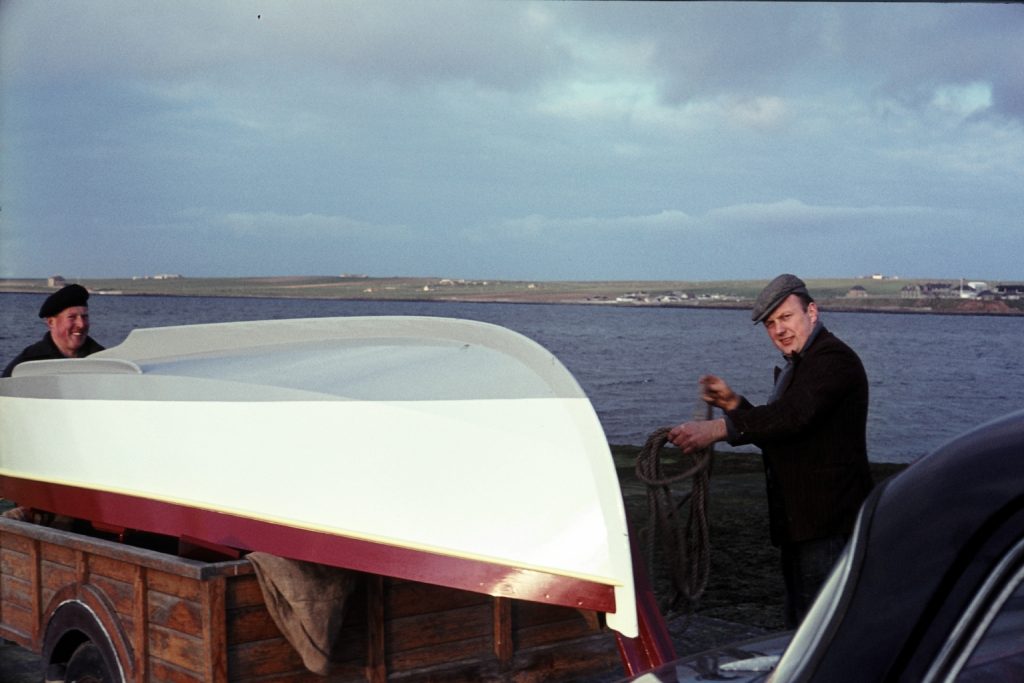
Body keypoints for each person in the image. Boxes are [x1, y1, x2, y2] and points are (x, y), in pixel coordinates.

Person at [667, 274, 872, 628]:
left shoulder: (833, 360)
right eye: (770, 323)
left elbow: (792, 416)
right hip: (803, 523)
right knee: (804, 625)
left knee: (822, 629)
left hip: (829, 525)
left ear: (812, 311)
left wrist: (716, 429)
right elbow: (782, 429)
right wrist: (733, 403)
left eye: (786, 317)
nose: (779, 329)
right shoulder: (803, 364)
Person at [2, 283, 105, 378]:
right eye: (72, 317)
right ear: (51, 322)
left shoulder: (102, 360)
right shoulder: (27, 363)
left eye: (84, 317)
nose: (81, 324)